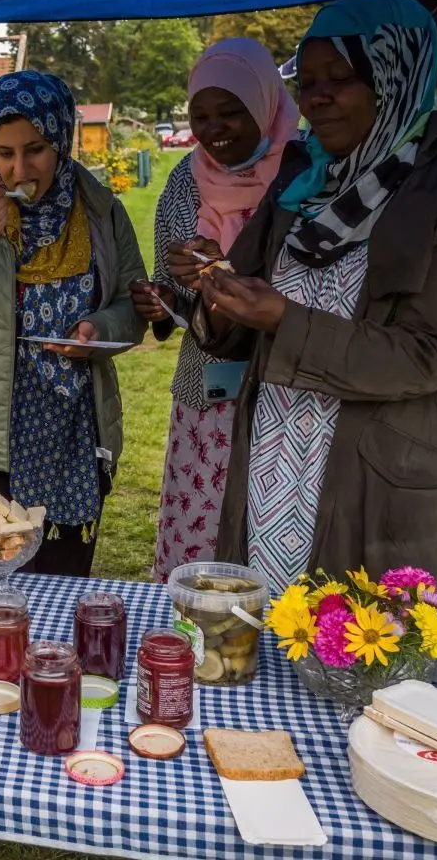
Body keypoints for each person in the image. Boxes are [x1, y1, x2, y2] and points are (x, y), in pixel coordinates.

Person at [177, 0, 437, 605]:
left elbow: (434, 356)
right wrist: (214, 289)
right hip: (275, 465)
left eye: (341, 79)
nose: (316, 97)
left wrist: (284, 318)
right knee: (268, 639)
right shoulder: (303, 180)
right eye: (307, 82)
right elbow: (245, 307)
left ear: (395, 78)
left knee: (364, 654)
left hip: (383, 473)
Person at [0, 70, 147, 577]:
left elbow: (131, 306)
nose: (19, 169)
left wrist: (100, 330)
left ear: (60, 140)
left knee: (64, 578)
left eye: (35, 149)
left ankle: (55, 660)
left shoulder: (100, 209)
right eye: (3, 153)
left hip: (72, 435)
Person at [129, 38, 299, 580]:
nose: (213, 129)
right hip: (208, 398)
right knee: (199, 553)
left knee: (275, 546)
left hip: (289, 393)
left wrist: (231, 270)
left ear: (267, 104)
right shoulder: (185, 180)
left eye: (231, 112)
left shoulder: (305, 174)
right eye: (199, 116)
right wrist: (161, 300)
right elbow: (173, 297)